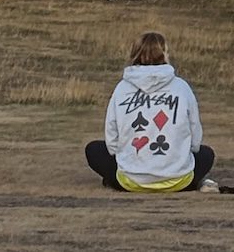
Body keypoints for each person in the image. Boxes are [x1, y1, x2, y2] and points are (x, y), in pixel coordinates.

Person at [85, 31, 215, 193]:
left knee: (94, 149)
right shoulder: (181, 87)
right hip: (178, 180)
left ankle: (119, 179)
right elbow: (195, 141)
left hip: (131, 181)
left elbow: (112, 143)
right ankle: (178, 178)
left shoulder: (122, 88)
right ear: (164, 54)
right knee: (206, 154)